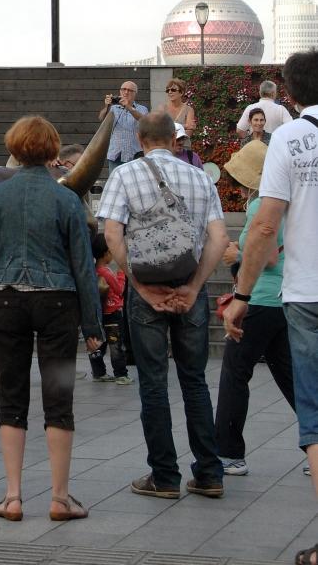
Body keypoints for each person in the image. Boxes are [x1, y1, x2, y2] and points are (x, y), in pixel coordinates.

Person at [0, 115, 102, 524]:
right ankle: (59, 498)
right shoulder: (67, 199)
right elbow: (83, 267)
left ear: (14, 148)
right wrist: (93, 325)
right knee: (58, 398)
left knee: (11, 397)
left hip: (7, 301)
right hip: (59, 303)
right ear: (52, 150)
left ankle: (12, 497)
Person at [99, 110, 229, 499]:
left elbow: (111, 234)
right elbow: (219, 239)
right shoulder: (200, 177)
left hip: (147, 289)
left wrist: (140, 286)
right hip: (190, 286)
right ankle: (209, 473)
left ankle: (165, 476)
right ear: (175, 141)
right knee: (194, 380)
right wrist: (193, 287)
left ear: (140, 141)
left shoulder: (125, 175)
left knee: (153, 382)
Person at [223, 49, 318, 565]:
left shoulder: (290, 138)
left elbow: (264, 226)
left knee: (315, 412)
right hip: (296, 294)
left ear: (291, 94)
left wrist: (241, 294)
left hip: (305, 293)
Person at [214, 139, 296, 475]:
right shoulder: (288, 203)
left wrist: (238, 255)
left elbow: (269, 256)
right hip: (282, 299)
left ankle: (229, 453)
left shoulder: (261, 205)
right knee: (292, 378)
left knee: (235, 374)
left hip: (259, 300)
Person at [87, 233, 131, 385]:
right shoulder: (106, 272)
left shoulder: (92, 271)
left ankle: (99, 372)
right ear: (106, 253)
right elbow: (119, 290)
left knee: (98, 345)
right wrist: (121, 273)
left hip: (99, 315)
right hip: (113, 315)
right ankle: (121, 374)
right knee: (116, 345)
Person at [98, 81, 148, 173]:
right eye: (123, 89)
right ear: (120, 91)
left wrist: (128, 107)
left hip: (134, 154)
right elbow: (101, 118)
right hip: (116, 154)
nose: (126, 92)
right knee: (115, 180)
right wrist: (106, 106)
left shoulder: (142, 109)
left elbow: (144, 121)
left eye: (130, 90)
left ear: (135, 93)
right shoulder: (113, 108)